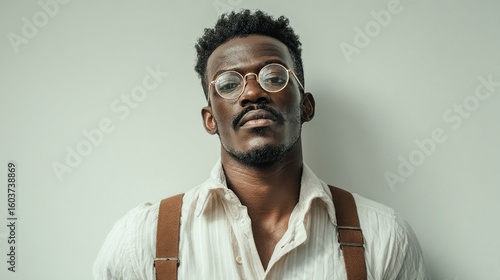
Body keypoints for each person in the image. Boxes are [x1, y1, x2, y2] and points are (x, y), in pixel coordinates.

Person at [93, 9, 429, 279]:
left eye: (273, 76)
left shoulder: (384, 238)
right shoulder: (141, 241)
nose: (253, 93)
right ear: (210, 118)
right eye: (228, 83)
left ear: (305, 105)